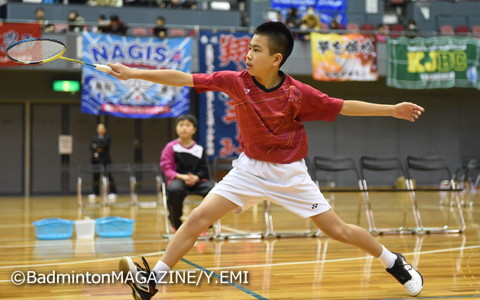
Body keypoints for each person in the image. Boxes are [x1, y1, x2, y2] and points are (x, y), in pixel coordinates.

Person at [108, 21, 425, 300]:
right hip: (249, 169)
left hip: (290, 175)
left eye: (256, 50)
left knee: (338, 231)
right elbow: (183, 78)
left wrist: (391, 109)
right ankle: (152, 282)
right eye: (248, 47)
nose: (248, 55)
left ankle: (391, 260)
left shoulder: (297, 94)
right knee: (196, 219)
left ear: (275, 59)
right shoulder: (236, 81)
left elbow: (342, 106)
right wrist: (134, 72)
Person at [160, 114, 214, 231]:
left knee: (212, 190)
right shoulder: (170, 147)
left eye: (188, 125)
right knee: (174, 190)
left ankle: (206, 224)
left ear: (194, 129)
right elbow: (167, 168)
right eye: (181, 125)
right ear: (176, 129)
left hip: (197, 180)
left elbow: (204, 170)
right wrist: (183, 177)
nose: (184, 128)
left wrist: (196, 177)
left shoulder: (199, 149)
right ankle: (176, 223)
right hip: (178, 180)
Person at [89, 123, 117, 201]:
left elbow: (103, 146)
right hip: (95, 160)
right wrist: (96, 148)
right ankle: (95, 192)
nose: (100, 129)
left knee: (108, 175)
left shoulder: (107, 137)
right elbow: (91, 146)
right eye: (99, 128)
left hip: (105, 160)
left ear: (105, 129)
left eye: (102, 128)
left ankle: (113, 192)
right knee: (96, 177)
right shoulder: (94, 137)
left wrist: (97, 147)